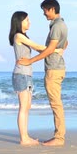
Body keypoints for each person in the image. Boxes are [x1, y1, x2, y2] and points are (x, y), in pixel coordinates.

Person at [9, 11, 64, 146]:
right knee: (23, 107)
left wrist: (54, 50)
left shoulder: (23, 37)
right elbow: (37, 46)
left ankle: (26, 136)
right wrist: (56, 50)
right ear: (19, 21)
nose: (29, 22)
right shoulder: (18, 36)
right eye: (27, 20)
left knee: (27, 106)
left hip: (27, 75)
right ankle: (24, 139)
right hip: (21, 74)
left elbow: (41, 50)